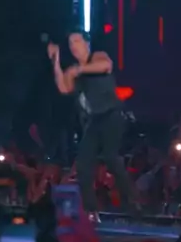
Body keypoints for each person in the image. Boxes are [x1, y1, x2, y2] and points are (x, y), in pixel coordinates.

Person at [47, 31, 133, 216]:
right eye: (70, 43)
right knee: (83, 164)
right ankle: (90, 210)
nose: (73, 46)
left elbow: (106, 65)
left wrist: (78, 70)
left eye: (77, 41)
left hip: (112, 115)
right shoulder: (73, 70)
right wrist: (56, 61)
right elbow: (63, 88)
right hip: (93, 120)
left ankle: (132, 204)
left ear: (86, 43)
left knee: (111, 157)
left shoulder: (97, 56)